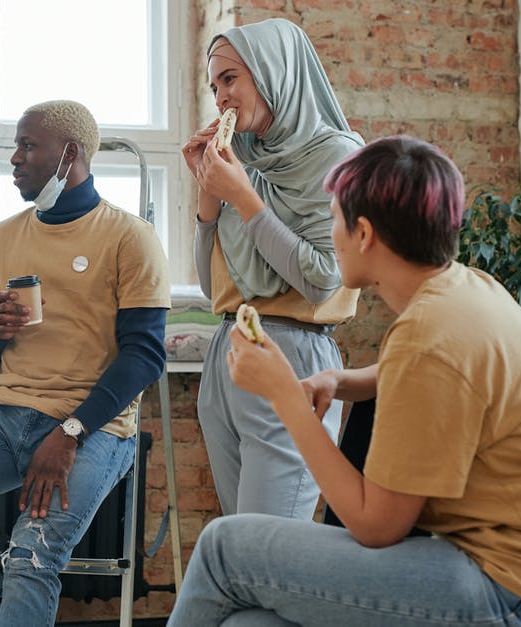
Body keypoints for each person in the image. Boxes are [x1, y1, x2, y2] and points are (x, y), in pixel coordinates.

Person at [168, 136, 521, 626]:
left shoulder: (427, 334)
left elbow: (375, 525)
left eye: (333, 218)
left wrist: (284, 394)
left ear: (363, 234)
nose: (329, 233)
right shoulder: (467, 290)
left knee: (220, 549)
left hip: (519, 592)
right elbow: (429, 374)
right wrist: (339, 380)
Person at [0, 100, 171, 627]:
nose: (14, 158)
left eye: (26, 145)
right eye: (15, 145)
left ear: (69, 154)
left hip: (94, 426)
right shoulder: (0, 238)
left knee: (33, 556)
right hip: (4, 413)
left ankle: (15, 585)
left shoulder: (129, 237)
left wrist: (69, 432)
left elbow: (145, 356)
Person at [181, 17, 364, 518]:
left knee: (269, 546)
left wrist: (243, 197)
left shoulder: (338, 157)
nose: (220, 97)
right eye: (213, 84)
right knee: (240, 548)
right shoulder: (244, 158)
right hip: (228, 350)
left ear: (273, 73)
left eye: (230, 78)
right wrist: (208, 193)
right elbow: (212, 284)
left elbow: (323, 276)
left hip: (294, 353)